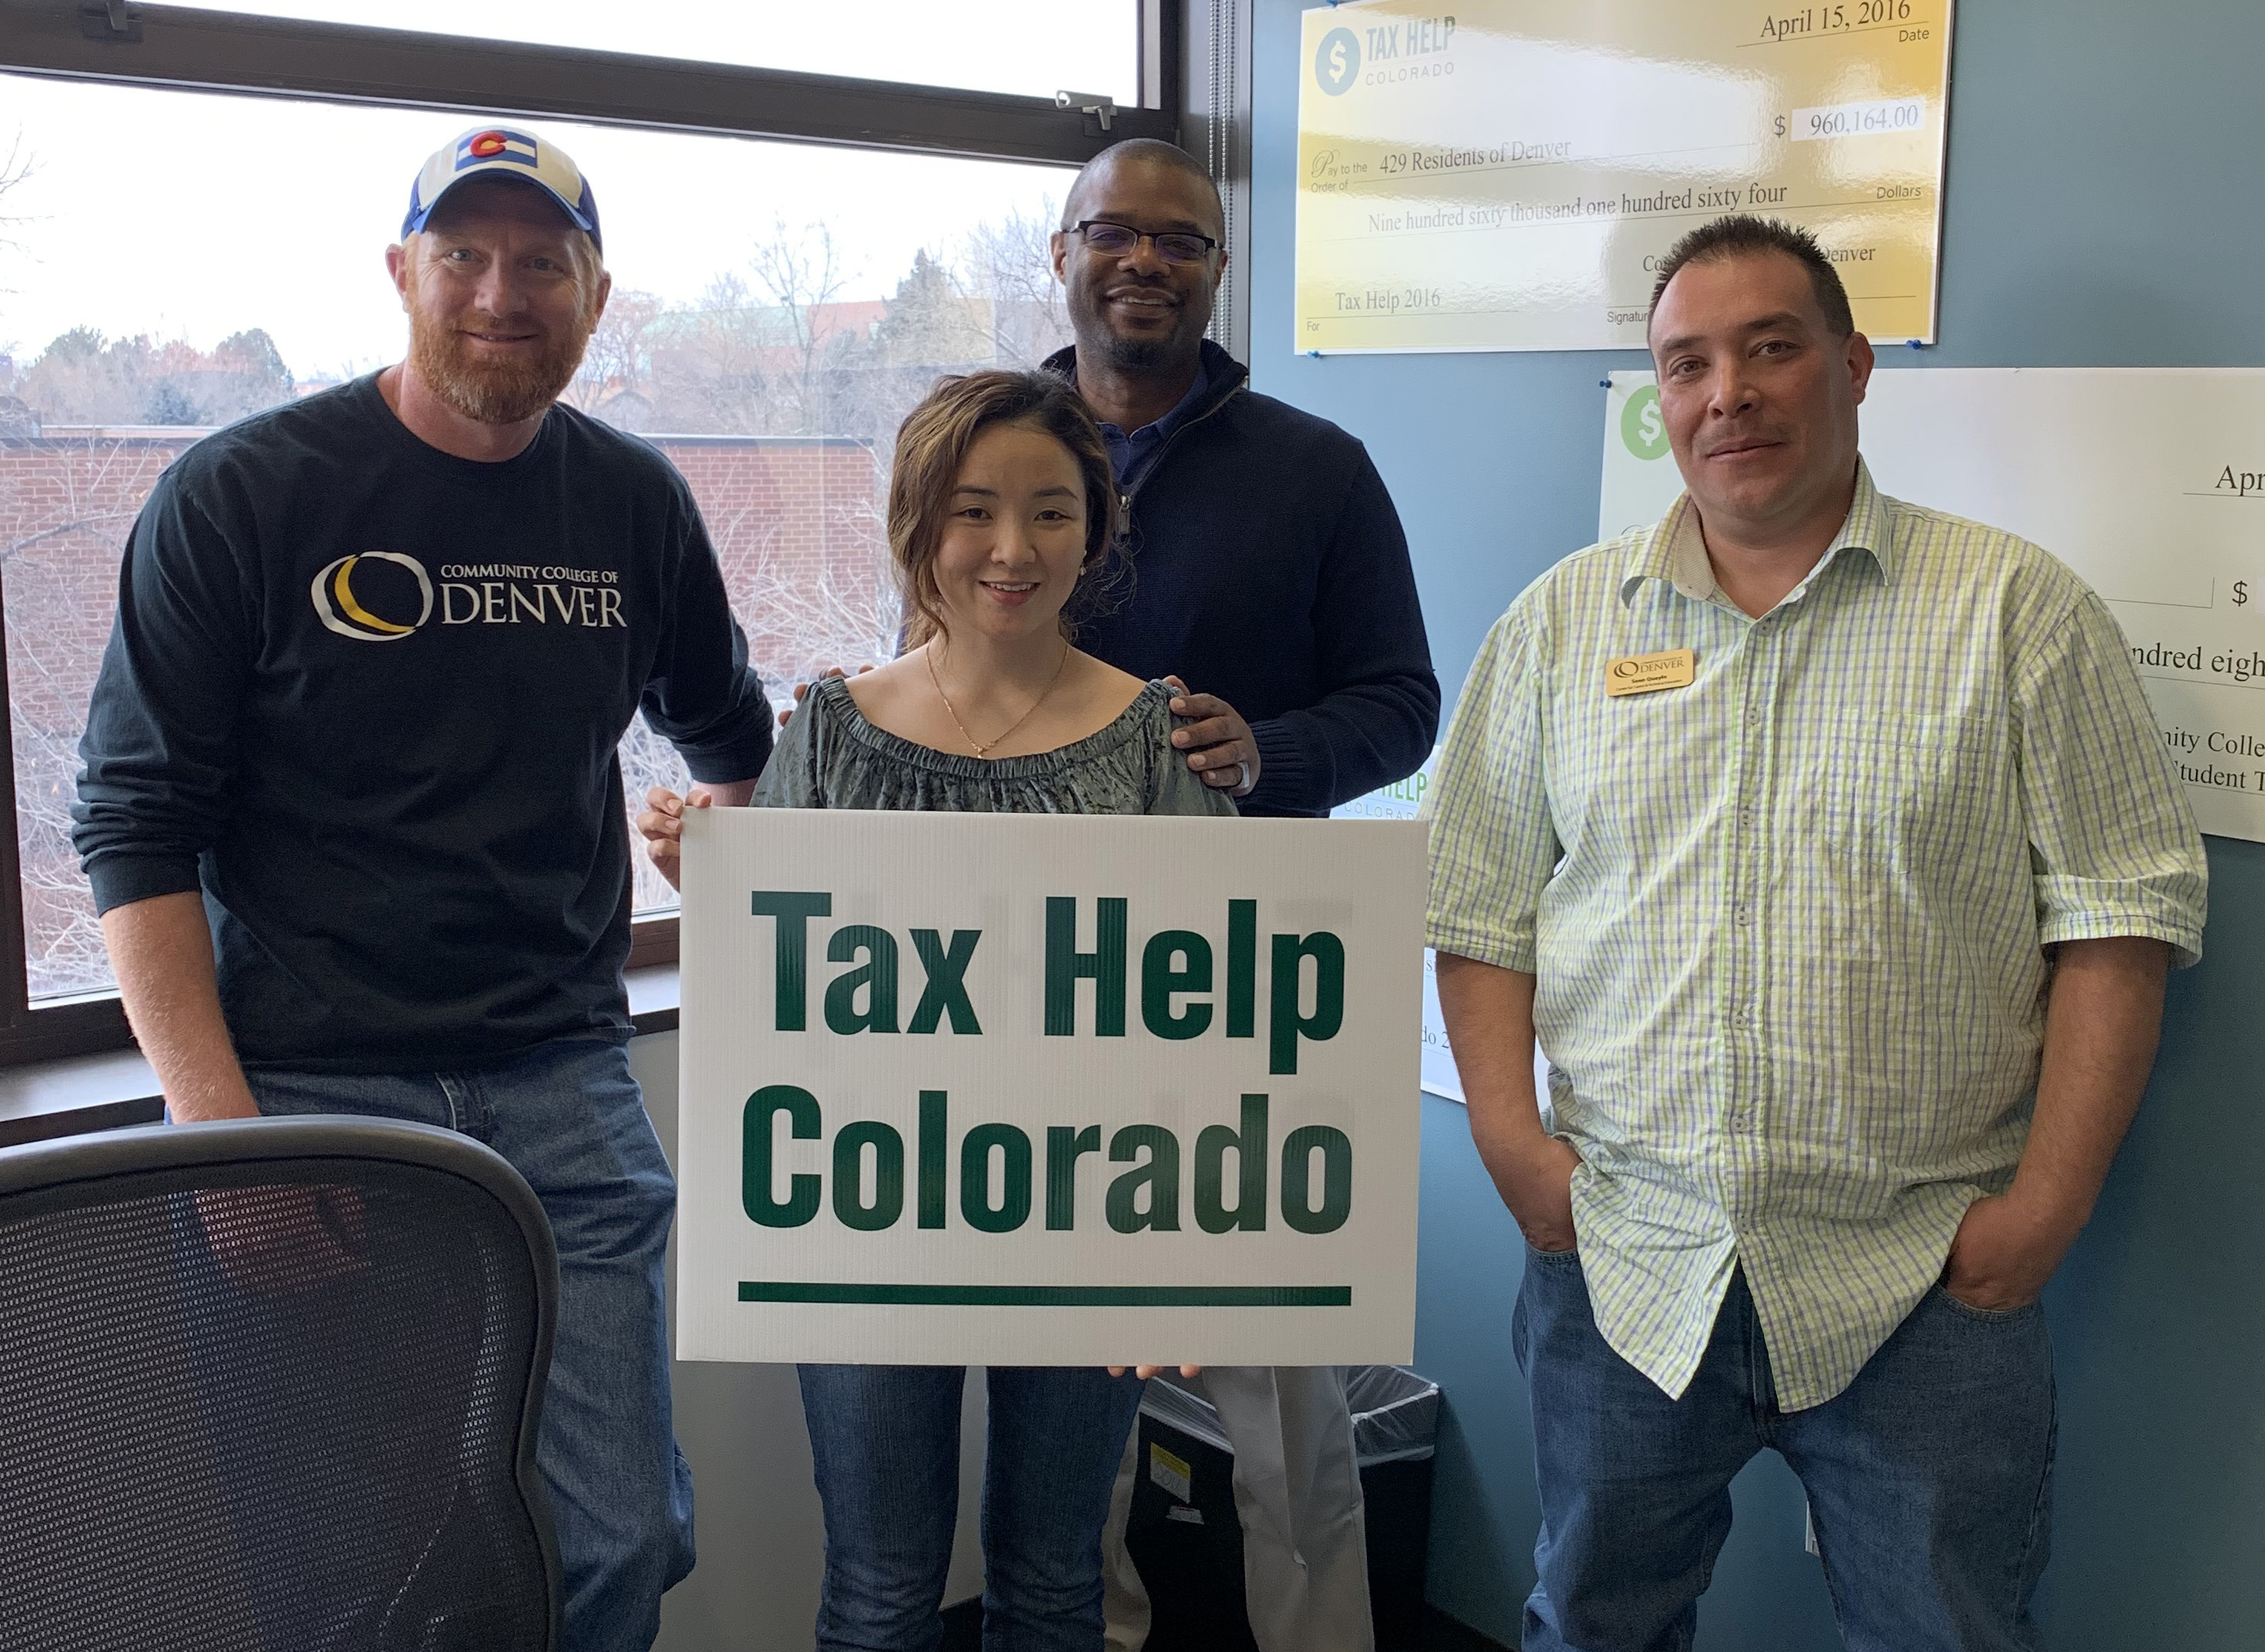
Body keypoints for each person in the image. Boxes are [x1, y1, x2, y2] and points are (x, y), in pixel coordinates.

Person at [1425, 214, 2208, 1651]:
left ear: (1852, 368)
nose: (1730, 392)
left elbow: (2119, 923)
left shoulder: (2016, 615)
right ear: (1661, 404)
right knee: (1592, 1622)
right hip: (1626, 1265)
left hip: (1919, 1278)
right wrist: (1508, 1143)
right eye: (1688, 364)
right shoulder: (1557, 628)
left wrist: (2047, 1210)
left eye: (1772, 348)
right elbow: (1481, 911)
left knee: (1946, 1635)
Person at [70, 126, 775, 1651]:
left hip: (559, 1081)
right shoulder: (244, 495)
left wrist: (733, 853)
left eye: (543, 262)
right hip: (311, 1090)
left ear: (598, 296)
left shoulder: (634, 504)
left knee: (620, 1539)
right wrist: (219, 1131)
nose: (499, 293)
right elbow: (131, 824)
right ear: (402, 274)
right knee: (353, 1578)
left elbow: (734, 737)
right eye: (463, 255)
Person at [642, 367, 1230, 1650]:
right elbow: (784, 1001)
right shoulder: (834, 731)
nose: (1012, 550)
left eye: (1052, 513)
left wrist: (1192, 1258)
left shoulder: (1156, 741)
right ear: (918, 525)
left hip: (1093, 1217)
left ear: (1096, 531)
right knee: (878, 1589)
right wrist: (718, 887)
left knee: (1055, 1580)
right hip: (871, 1220)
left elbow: (1209, 1026)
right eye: (973, 511)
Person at [1044, 138, 1438, 1652]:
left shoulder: (1313, 468)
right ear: (1060, 254)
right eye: (1113, 234)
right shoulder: (993, 454)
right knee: (1060, 1376)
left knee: (1279, 1385)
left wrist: (1262, 750)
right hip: (1036, 989)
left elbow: (1401, 703)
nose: (1144, 261)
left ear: (1217, 271)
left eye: (1181, 242)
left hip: (1246, 993)